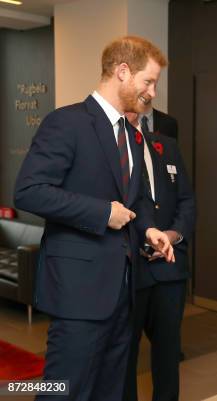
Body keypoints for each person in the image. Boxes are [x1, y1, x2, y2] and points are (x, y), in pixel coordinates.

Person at [13, 36, 174, 401]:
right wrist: (102, 213)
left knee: (111, 391)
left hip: (124, 291)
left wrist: (148, 227)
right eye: (148, 81)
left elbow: (134, 200)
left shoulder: (133, 136)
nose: (153, 91)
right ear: (122, 72)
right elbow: (29, 190)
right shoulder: (65, 122)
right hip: (79, 293)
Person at [123, 108, 196, 401]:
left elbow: (187, 201)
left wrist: (171, 236)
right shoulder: (110, 151)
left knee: (168, 354)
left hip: (169, 269)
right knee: (124, 355)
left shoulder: (166, 146)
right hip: (130, 270)